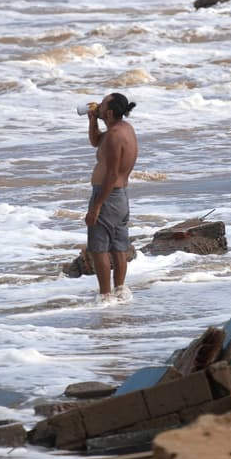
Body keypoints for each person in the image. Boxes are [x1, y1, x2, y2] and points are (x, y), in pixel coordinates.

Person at [85, 92, 138, 303]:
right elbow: (96, 141)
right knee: (118, 246)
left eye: (103, 103)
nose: (98, 105)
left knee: (99, 248)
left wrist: (96, 206)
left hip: (108, 194)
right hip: (121, 196)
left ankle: (105, 297)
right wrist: (92, 121)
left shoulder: (115, 135)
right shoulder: (123, 129)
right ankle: (121, 291)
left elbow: (112, 174)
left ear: (109, 111)